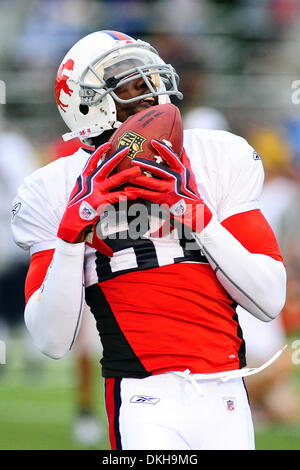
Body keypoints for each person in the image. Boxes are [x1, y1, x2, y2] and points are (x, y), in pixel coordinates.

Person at [11, 30, 286, 450]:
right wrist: (70, 238)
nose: (152, 96)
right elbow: (51, 340)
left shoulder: (217, 157)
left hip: (227, 393)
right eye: (133, 86)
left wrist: (198, 216)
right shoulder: (55, 187)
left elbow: (269, 299)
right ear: (88, 105)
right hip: (143, 397)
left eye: (153, 81)